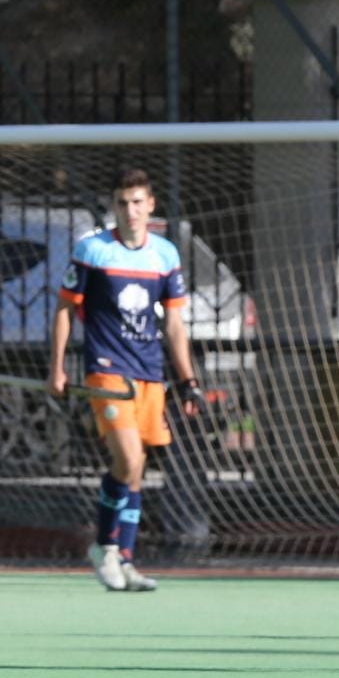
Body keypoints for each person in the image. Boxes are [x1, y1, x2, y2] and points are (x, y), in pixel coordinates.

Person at [49, 168, 207, 592]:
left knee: (135, 472)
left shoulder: (165, 255)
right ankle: (104, 546)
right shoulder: (93, 250)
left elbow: (174, 324)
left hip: (149, 374)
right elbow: (65, 309)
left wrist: (188, 380)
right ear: (114, 207)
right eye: (122, 203)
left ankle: (126, 558)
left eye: (138, 202)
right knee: (129, 459)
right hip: (106, 370)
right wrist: (56, 367)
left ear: (150, 205)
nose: (130, 211)